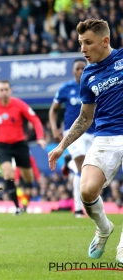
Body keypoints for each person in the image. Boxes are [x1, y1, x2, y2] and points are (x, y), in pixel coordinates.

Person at [48, 18, 122, 262]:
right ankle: (103, 228)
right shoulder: (88, 75)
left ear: (105, 41)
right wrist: (60, 147)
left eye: (88, 43)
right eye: (80, 43)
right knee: (87, 192)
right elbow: (84, 118)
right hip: (105, 137)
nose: (83, 49)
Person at [0, 80, 46, 215]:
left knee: (28, 178)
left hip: (19, 144)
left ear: (10, 90)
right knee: (8, 173)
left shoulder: (19, 104)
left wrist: (41, 137)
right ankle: (16, 207)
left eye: (6, 89)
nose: (4, 92)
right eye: (1, 90)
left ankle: (25, 200)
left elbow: (35, 120)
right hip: (2, 146)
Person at [48, 58, 95, 218]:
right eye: (78, 68)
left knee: (88, 170)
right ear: (73, 71)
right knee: (81, 165)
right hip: (73, 133)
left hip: (93, 131)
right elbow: (53, 110)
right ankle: (78, 209)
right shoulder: (65, 88)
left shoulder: (93, 85)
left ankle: (82, 207)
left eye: (83, 68)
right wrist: (55, 129)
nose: (81, 71)